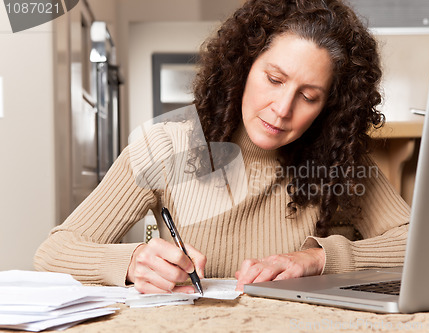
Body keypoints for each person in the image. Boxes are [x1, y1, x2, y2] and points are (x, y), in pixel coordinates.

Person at [34, 0, 410, 294]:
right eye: (274, 79)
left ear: (329, 107)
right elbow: (52, 253)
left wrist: (320, 259)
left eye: (309, 96)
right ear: (243, 66)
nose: (282, 110)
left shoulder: (336, 159)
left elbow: (419, 243)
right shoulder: (166, 144)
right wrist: (132, 261)